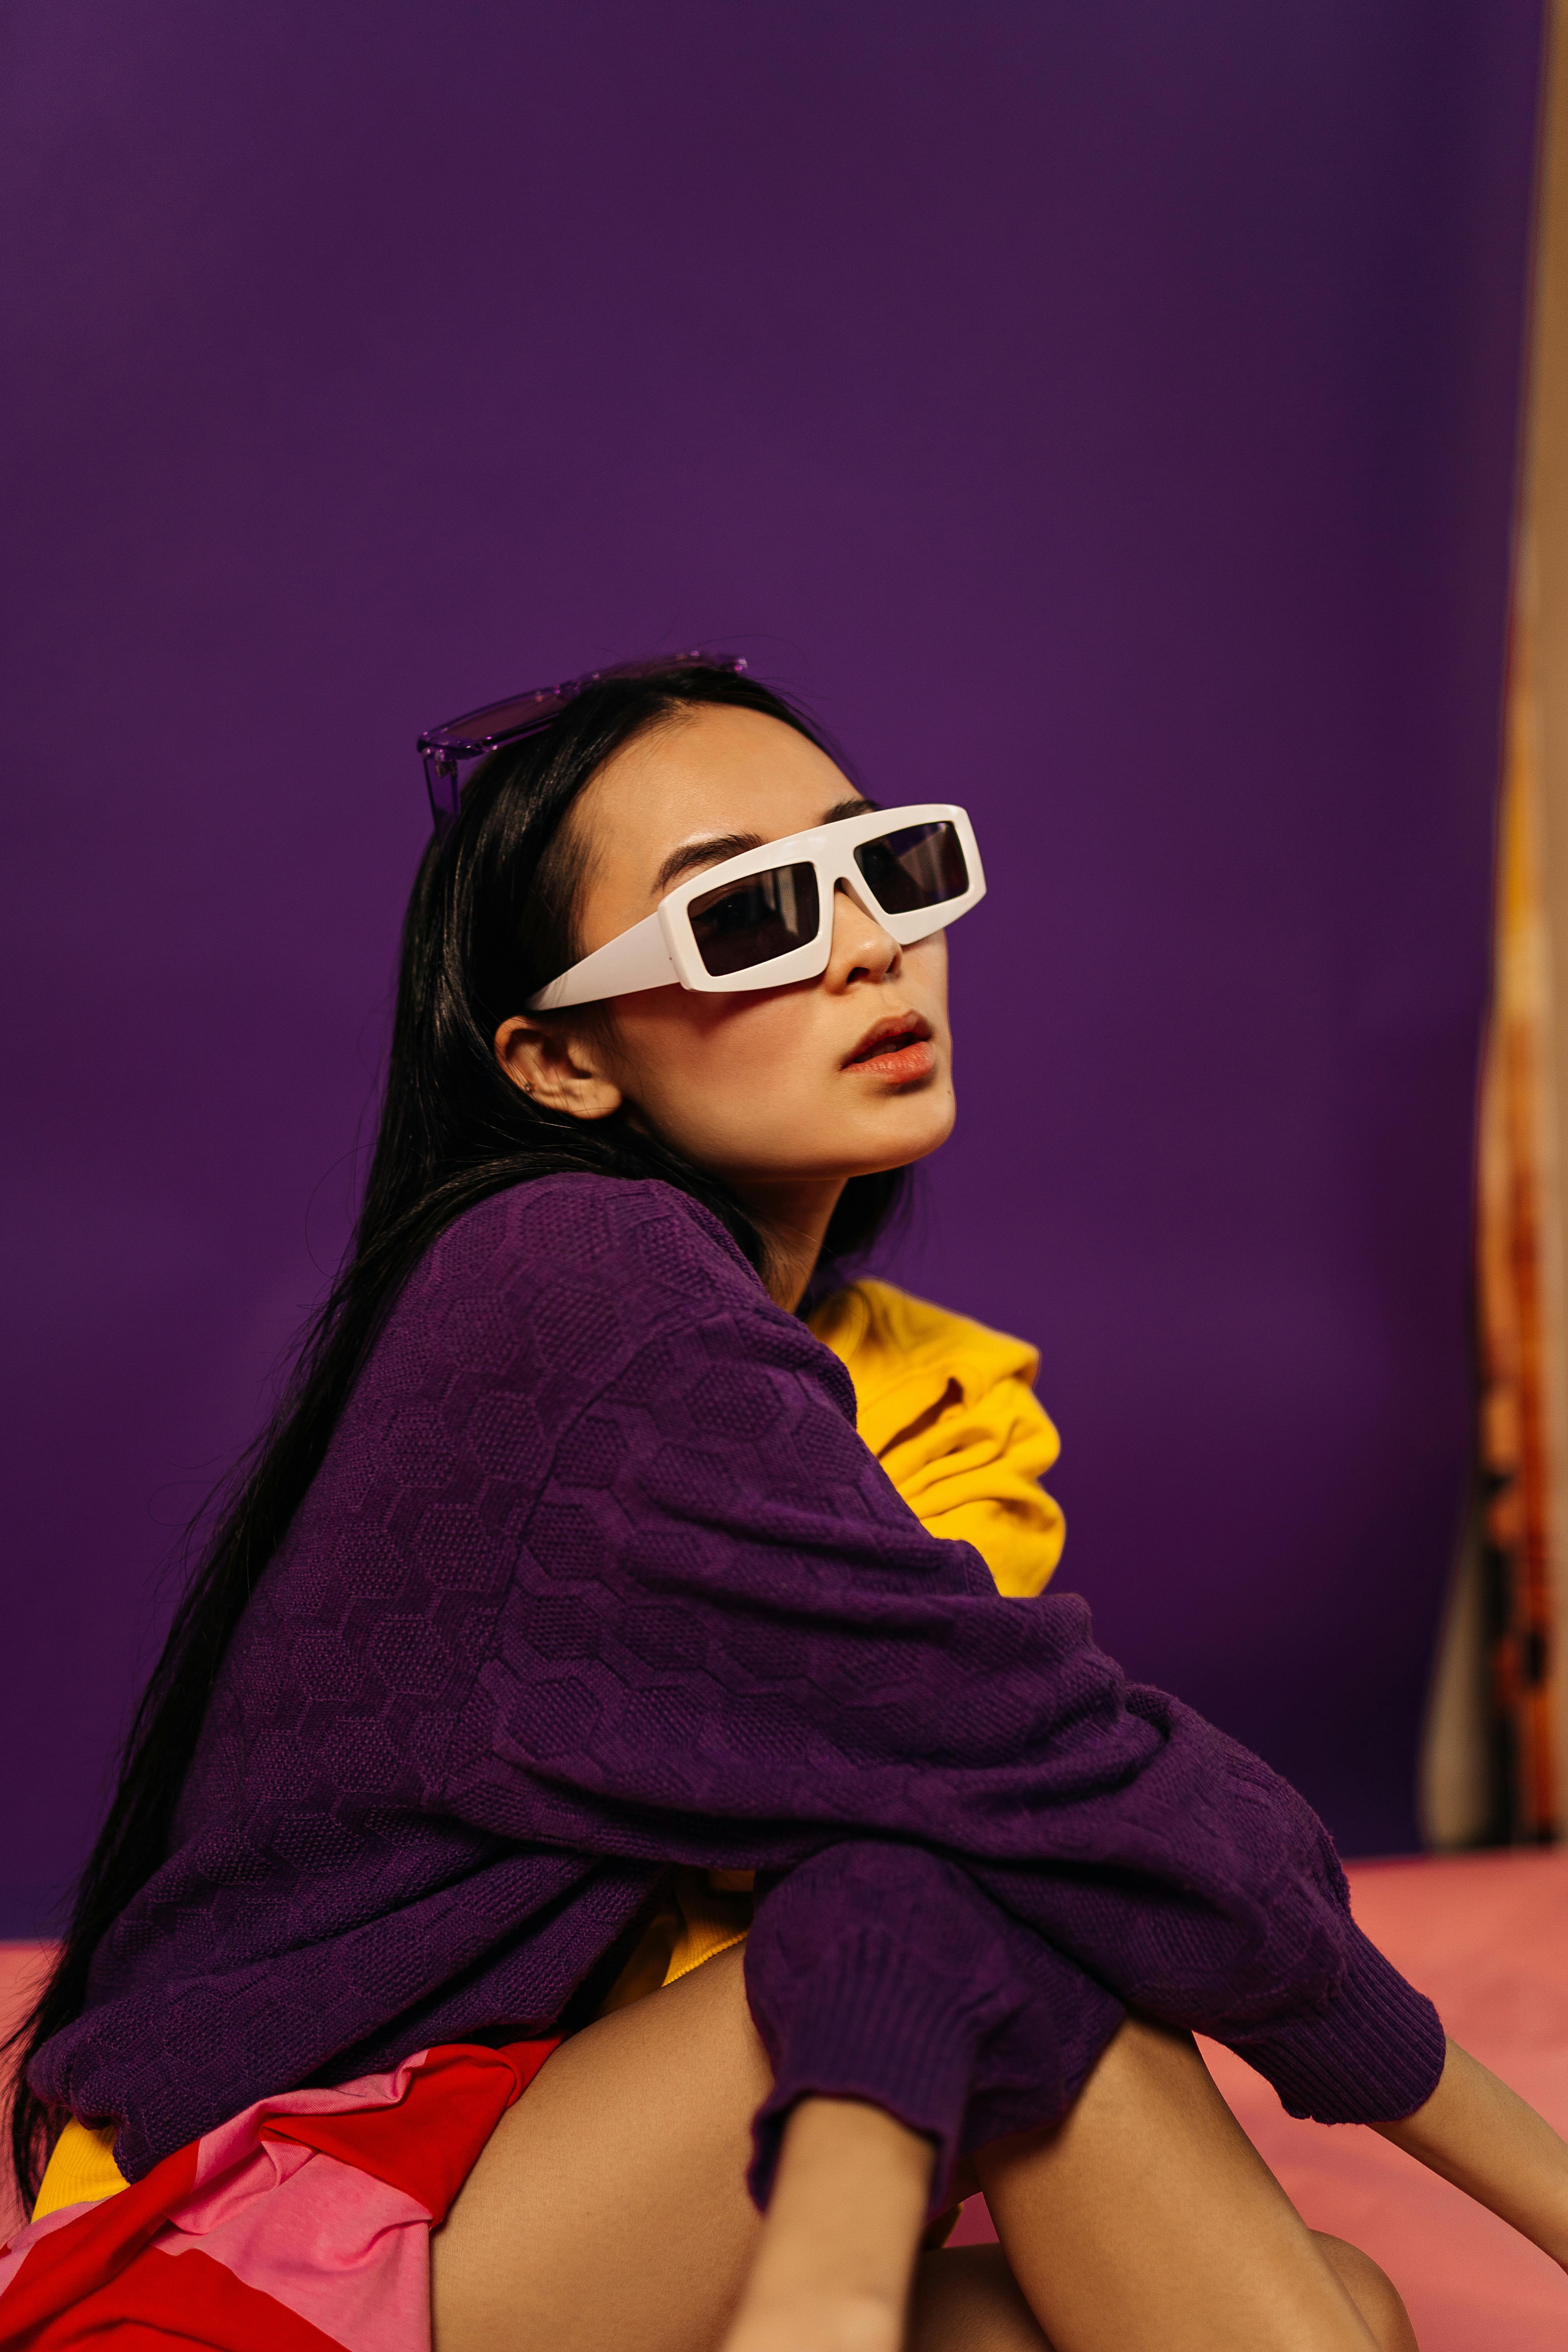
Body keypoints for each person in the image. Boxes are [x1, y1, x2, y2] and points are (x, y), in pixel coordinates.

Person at [5, 655, 1568, 2352]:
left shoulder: (856, 1374)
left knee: (1336, 2303)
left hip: (504, 2190)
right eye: (748, 917)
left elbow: (968, 1805)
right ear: (558, 1063)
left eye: (882, 869)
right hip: (256, 2253)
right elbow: (1068, 1794)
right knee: (1015, 1889)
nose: (867, 947)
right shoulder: (567, 1282)